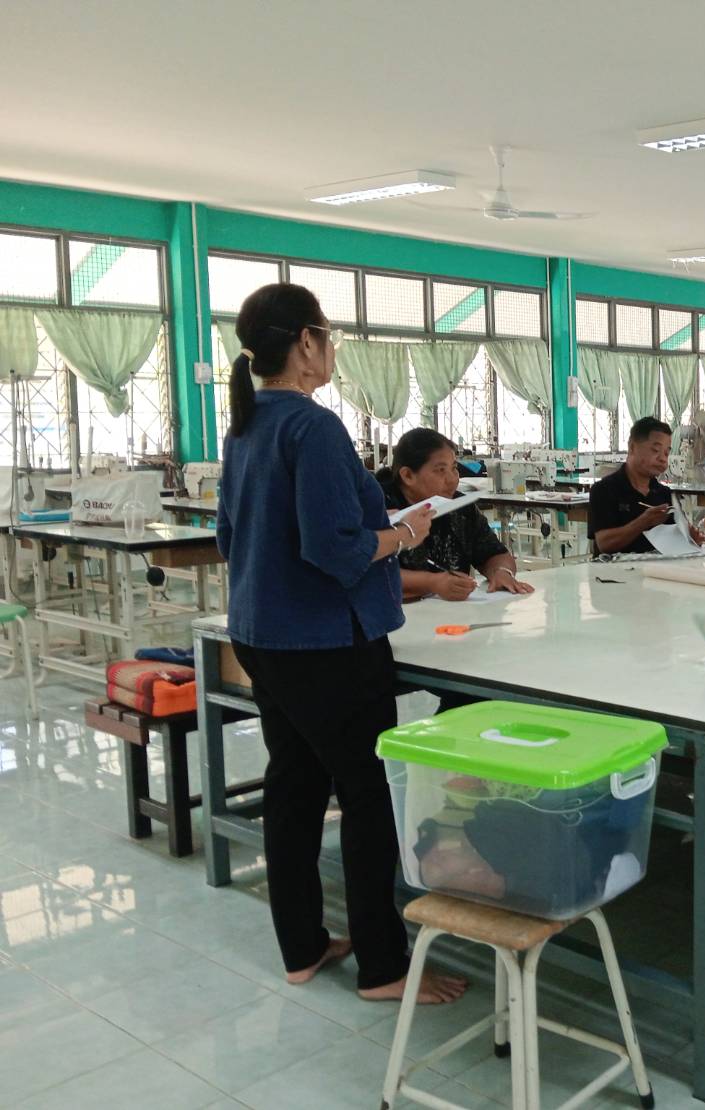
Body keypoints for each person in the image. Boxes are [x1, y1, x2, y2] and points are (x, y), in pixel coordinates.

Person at [216, 283, 465, 1006]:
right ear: (307, 343)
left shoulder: (245, 425)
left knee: (294, 786)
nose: (331, 352)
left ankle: (302, 947)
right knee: (366, 794)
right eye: (329, 338)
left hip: (263, 633)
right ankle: (384, 968)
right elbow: (336, 549)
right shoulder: (313, 427)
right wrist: (402, 534)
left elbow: (232, 537)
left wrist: (370, 531)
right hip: (325, 641)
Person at [377, 428, 534, 600]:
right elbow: (367, 568)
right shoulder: (378, 508)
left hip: (451, 611)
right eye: (440, 470)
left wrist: (502, 572)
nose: (452, 479)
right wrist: (432, 583)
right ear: (408, 476)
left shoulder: (459, 507)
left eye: (454, 468)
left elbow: (494, 553)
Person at [588, 417, 701, 555]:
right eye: (655, 450)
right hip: (616, 567)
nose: (662, 459)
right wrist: (643, 522)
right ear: (632, 447)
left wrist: (690, 539)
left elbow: (674, 540)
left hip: (656, 566)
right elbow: (604, 545)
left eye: (666, 453)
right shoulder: (604, 490)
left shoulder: (663, 493)